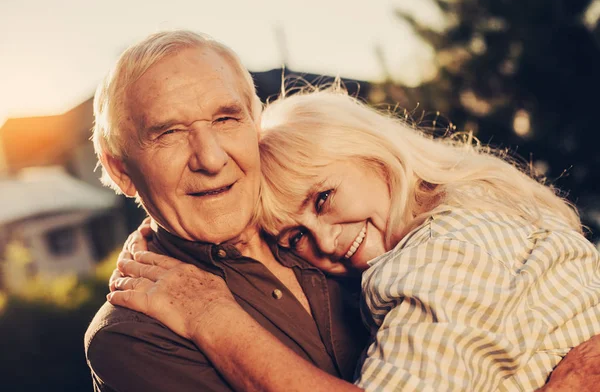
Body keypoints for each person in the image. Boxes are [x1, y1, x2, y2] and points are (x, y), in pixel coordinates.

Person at [109, 87, 600, 391]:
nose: (323, 241)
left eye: (323, 198)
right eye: (295, 235)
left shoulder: (442, 253)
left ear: (371, 153)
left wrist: (208, 315)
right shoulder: (484, 204)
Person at [84, 31, 368, 392]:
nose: (211, 159)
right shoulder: (132, 338)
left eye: (225, 119)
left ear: (256, 125)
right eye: (169, 132)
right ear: (120, 171)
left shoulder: (333, 213)